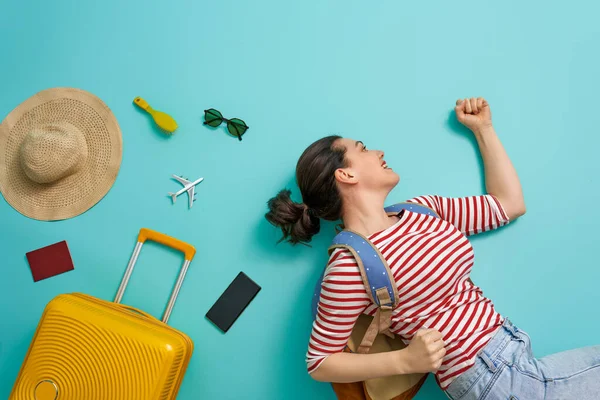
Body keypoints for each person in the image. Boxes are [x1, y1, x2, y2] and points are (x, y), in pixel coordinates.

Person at [265, 97, 600, 399]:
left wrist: (483, 129)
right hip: (488, 379)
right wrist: (404, 360)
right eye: (363, 148)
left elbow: (508, 204)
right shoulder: (349, 266)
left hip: (514, 353)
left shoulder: (420, 210)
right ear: (346, 174)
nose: (378, 152)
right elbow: (320, 362)